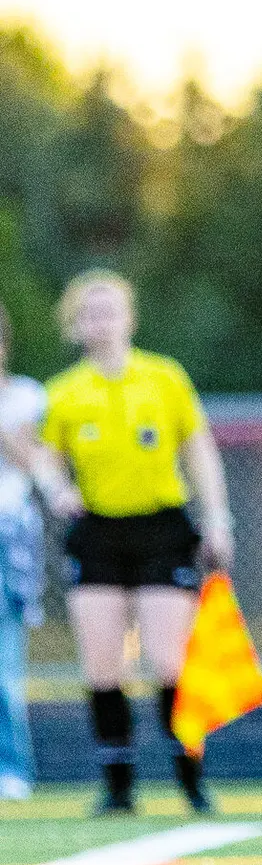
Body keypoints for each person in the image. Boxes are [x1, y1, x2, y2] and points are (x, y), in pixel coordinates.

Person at [42, 271, 236, 815]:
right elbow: (46, 460)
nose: (103, 321)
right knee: (102, 667)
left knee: (166, 662)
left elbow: (199, 452)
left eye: (112, 309)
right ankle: (118, 786)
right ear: (76, 326)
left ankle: (190, 777)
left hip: (161, 530)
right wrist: (56, 488)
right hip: (98, 533)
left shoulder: (164, 378)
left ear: (130, 317)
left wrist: (217, 520)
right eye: (91, 312)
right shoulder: (64, 393)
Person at [0, 302, 80, 798]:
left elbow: (32, 459)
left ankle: (12, 767)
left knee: (6, 662)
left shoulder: (28, 395)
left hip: (8, 534)